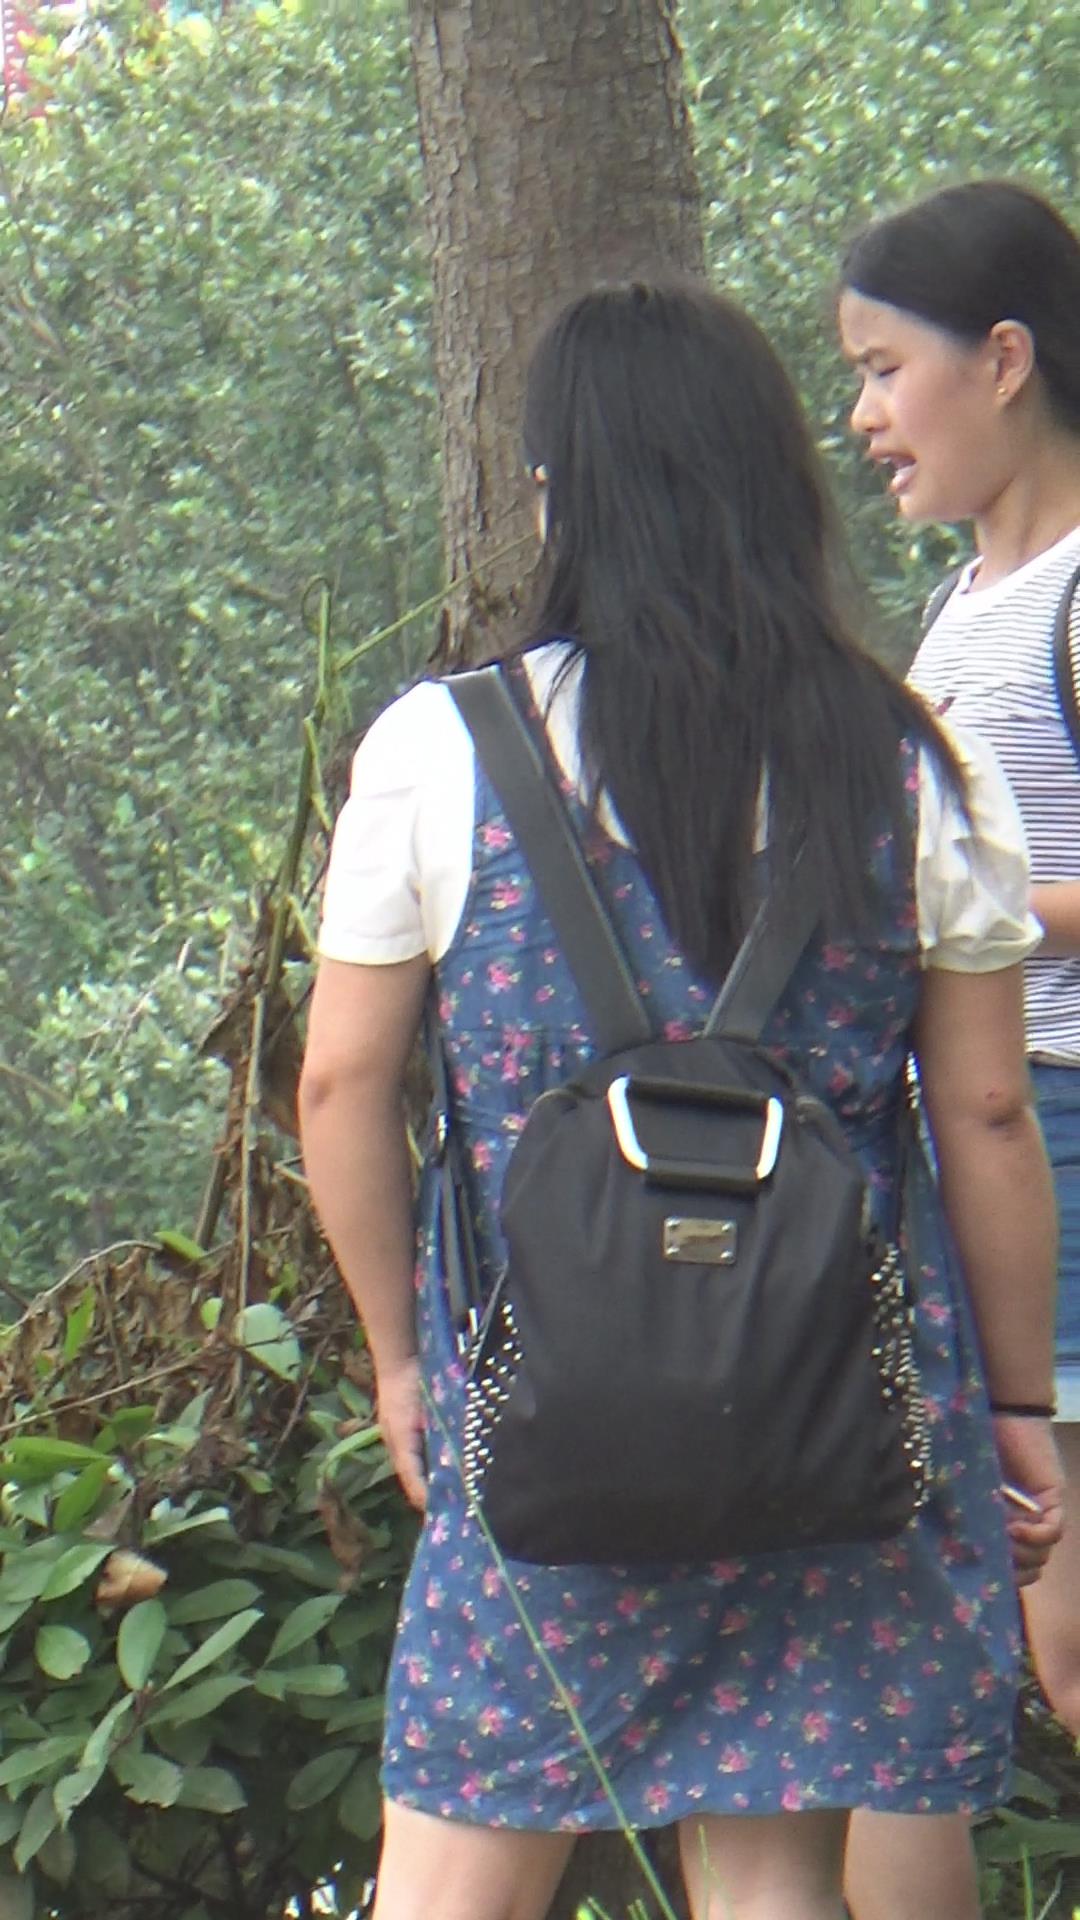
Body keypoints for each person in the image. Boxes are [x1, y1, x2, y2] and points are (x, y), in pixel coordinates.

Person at [299, 279, 1063, 1920]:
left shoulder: (442, 751)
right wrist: (1012, 1404)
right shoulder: (909, 762)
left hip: (550, 1413)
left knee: (454, 1873)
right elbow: (988, 1117)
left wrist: (399, 1358)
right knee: (776, 1871)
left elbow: (341, 1081)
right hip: (831, 1416)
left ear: (559, 494)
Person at [838, 178, 1080, 1920]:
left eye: (882, 369)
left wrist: (965, 924)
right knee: (956, 1663)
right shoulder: (966, 601)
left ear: (1004, 359)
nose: (862, 418)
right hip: (968, 1153)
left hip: (1056, 1123)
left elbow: (981, 901)